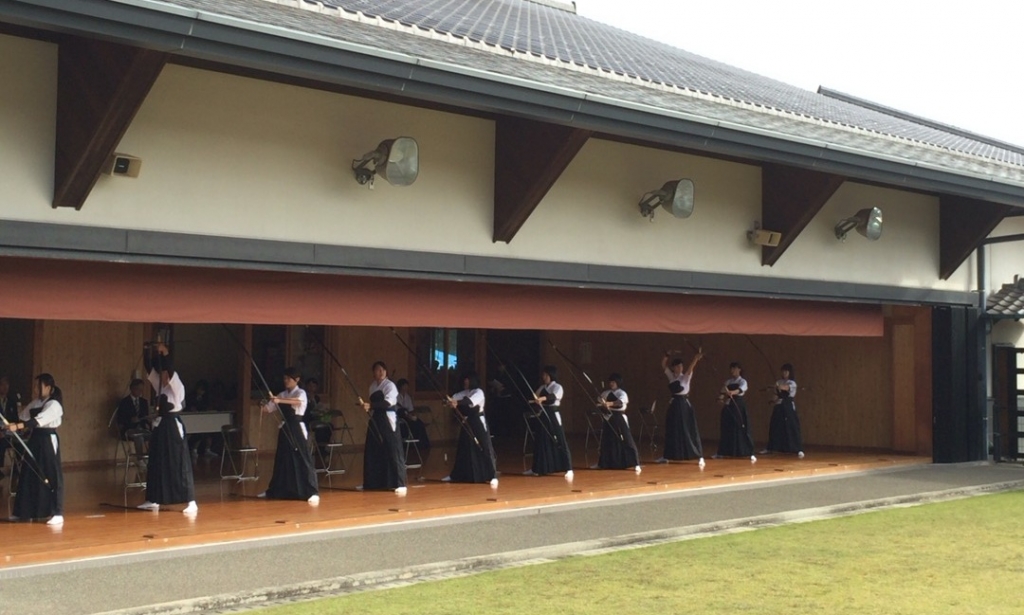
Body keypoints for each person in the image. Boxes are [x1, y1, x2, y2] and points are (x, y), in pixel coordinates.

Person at [137, 343, 197, 515]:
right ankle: (153, 498)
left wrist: (165, 353)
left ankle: (191, 501)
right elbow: (149, 368)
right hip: (160, 426)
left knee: (179, 463)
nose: (163, 376)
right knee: (156, 461)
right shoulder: (160, 385)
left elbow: (169, 368)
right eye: (162, 373)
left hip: (173, 426)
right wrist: (147, 350)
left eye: (165, 374)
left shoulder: (177, 387)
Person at [7, 373, 65, 525]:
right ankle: (24, 512)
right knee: (28, 473)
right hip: (35, 439)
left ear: (49, 388)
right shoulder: (35, 403)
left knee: (52, 474)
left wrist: (17, 426)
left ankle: (57, 512)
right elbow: (23, 418)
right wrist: (10, 427)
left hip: (47, 440)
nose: (35, 389)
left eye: (38, 386)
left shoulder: (54, 404)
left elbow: (36, 422)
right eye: (35, 386)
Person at [259, 367, 319, 503]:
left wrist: (279, 401)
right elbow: (268, 409)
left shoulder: (300, 392)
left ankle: (312, 492)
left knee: (303, 458)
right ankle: (275, 490)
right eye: (284, 378)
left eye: (288, 378)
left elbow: (298, 402)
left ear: (296, 379)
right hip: (285, 428)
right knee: (282, 459)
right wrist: (262, 404)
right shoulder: (282, 394)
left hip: (297, 428)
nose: (285, 381)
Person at [359, 361, 407, 495]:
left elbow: (388, 402)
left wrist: (371, 406)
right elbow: (373, 403)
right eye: (377, 370)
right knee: (373, 449)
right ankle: (372, 482)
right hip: (376, 418)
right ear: (373, 373)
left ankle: (399, 483)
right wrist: (368, 407)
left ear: (386, 372)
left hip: (388, 418)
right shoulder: (373, 386)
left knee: (393, 449)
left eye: (382, 370)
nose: (380, 373)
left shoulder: (390, 385)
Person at [444, 371, 498, 486]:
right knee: (463, 448)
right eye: (465, 380)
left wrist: (456, 402)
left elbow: (468, 401)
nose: (465, 382)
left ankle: (492, 475)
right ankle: (456, 475)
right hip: (468, 422)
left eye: (467, 380)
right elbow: (454, 398)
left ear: (472, 380)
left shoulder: (479, 392)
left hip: (478, 422)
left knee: (484, 447)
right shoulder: (466, 392)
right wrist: (449, 401)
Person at [656, 351, 705, 468]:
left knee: (689, 430)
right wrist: (667, 354)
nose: (680, 368)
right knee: (672, 429)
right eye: (677, 366)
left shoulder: (685, 377)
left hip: (684, 405)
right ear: (673, 368)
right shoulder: (672, 377)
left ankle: (700, 456)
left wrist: (695, 359)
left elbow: (690, 368)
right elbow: (663, 365)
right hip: (674, 404)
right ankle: (667, 456)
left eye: (681, 366)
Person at [524, 365, 573, 479]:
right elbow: (536, 397)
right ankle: (536, 468)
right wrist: (535, 400)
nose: (544, 377)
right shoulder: (542, 387)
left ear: (551, 375)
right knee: (540, 441)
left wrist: (541, 399)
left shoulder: (557, 387)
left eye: (546, 375)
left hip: (553, 415)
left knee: (560, 440)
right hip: (543, 415)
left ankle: (569, 468)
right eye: (543, 375)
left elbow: (552, 397)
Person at [592, 373, 641, 473]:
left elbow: (620, 402)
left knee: (627, 440)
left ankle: (636, 463)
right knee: (606, 441)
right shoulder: (606, 393)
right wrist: (602, 405)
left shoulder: (622, 393)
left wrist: (609, 403)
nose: (611, 384)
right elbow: (598, 402)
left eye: (613, 382)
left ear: (618, 382)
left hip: (619, 418)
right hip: (608, 418)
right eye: (610, 382)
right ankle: (602, 463)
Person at [714, 362, 756, 462]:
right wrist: (720, 399)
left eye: (734, 368)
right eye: (731, 368)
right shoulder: (728, 382)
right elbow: (722, 392)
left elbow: (740, 390)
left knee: (739, 427)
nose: (732, 370)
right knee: (727, 427)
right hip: (729, 405)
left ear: (739, 369)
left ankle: (742, 451)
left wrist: (732, 392)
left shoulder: (743, 381)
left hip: (738, 405)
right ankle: (724, 452)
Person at [762, 363, 804, 458]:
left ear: (790, 372)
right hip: (779, 405)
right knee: (775, 425)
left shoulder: (792, 383)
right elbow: (776, 394)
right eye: (783, 371)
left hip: (788, 406)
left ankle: (798, 449)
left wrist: (777, 386)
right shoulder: (779, 382)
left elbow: (785, 388)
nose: (784, 373)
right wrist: (772, 400)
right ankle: (771, 447)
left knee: (791, 426)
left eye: (786, 371)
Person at [395, 378, 430, 450]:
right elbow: (397, 410)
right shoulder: (396, 396)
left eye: (407, 386)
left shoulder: (407, 397)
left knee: (419, 423)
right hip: (400, 418)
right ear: (401, 387)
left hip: (408, 418)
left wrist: (412, 415)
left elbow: (411, 410)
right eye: (404, 386)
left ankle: (423, 445)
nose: (406, 388)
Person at [0, 375, 22, 477]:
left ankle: (17, 469)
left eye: (7, 384)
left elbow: (15, 420)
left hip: (9, 433)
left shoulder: (11, 401)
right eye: (2, 384)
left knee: (20, 443)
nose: (5, 387)